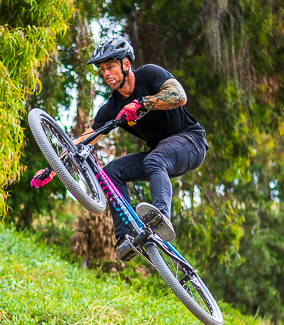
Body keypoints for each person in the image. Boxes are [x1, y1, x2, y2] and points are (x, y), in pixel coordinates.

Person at [85, 36, 208, 261]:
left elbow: (179, 96)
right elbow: (86, 138)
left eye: (110, 67)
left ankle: (160, 218)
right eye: (102, 69)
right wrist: (52, 166)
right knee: (111, 172)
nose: (106, 74)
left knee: (155, 159)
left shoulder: (149, 74)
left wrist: (143, 103)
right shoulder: (112, 107)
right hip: (161, 154)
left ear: (126, 64)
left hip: (191, 142)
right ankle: (125, 238)